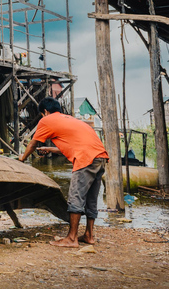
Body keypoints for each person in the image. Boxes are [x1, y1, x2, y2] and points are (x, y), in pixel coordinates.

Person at [19, 97, 109, 248]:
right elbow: (72, 146)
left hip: (85, 159)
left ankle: (72, 238)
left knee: (75, 197)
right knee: (91, 199)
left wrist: (22, 158)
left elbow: (33, 143)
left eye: (43, 114)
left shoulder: (46, 120)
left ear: (45, 112)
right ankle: (89, 235)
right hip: (100, 157)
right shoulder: (72, 120)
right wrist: (49, 149)